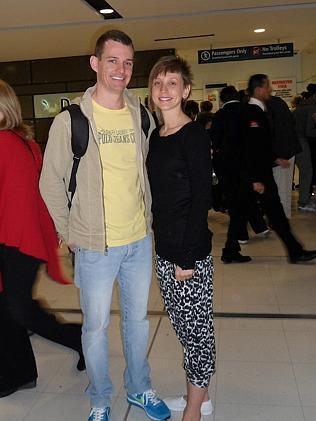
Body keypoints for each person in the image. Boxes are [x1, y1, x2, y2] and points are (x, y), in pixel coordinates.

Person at [39, 30, 170, 421]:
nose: (121, 69)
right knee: (94, 330)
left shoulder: (141, 115)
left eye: (128, 62)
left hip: (138, 241)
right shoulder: (71, 121)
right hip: (94, 245)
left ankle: (139, 389)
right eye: (112, 60)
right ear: (95, 63)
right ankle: (99, 399)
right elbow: (50, 182)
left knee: (137, 323)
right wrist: (70, 232)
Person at [0, 79, 84, 399]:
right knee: (9, 308)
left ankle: (75, 338)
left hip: (16, 240)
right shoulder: (24, 141)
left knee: (18, 309)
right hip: (20, 238)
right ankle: (18, 372)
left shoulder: (5, 143)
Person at [147, 55, 215, 421]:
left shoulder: (193, 134)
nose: (164, 90)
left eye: (172, 83)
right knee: (182, 327)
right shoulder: (156, 137)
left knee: (197, 330)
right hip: (165, 249)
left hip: (188, 254)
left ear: (186, 90)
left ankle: (195, 405)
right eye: (158, 83)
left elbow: (202, 197)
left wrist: (186, 259)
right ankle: (198, 394)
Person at [241, 74, 316, 263]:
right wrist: (254, 179)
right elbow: (249, 148)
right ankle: (296, 252)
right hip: (259, 176)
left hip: (261, 173)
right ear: (259, 90)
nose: (270, 90)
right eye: (267, 87)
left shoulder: (259, 111)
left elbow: (259, 145)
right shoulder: (252, 113)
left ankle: (295, 251)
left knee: (272, 214)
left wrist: (275, 158)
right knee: (273, 213)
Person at [210, 85, 269, 263]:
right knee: (241, 203)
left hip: (226, 168)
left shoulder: (219, 116)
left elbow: (215, 140)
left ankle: (235, 243)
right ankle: (235, 244)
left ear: (222, 100)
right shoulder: (247, 111)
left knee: (236, 203)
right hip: (246, 166)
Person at [266, 95, 300, 218]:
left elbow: (270, 132)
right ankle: (284, 215)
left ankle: (280, 218)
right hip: (289, 150)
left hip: (279, 154)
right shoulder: (278, 102)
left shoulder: (267, 106)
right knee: (284, 188)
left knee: (279, 189)